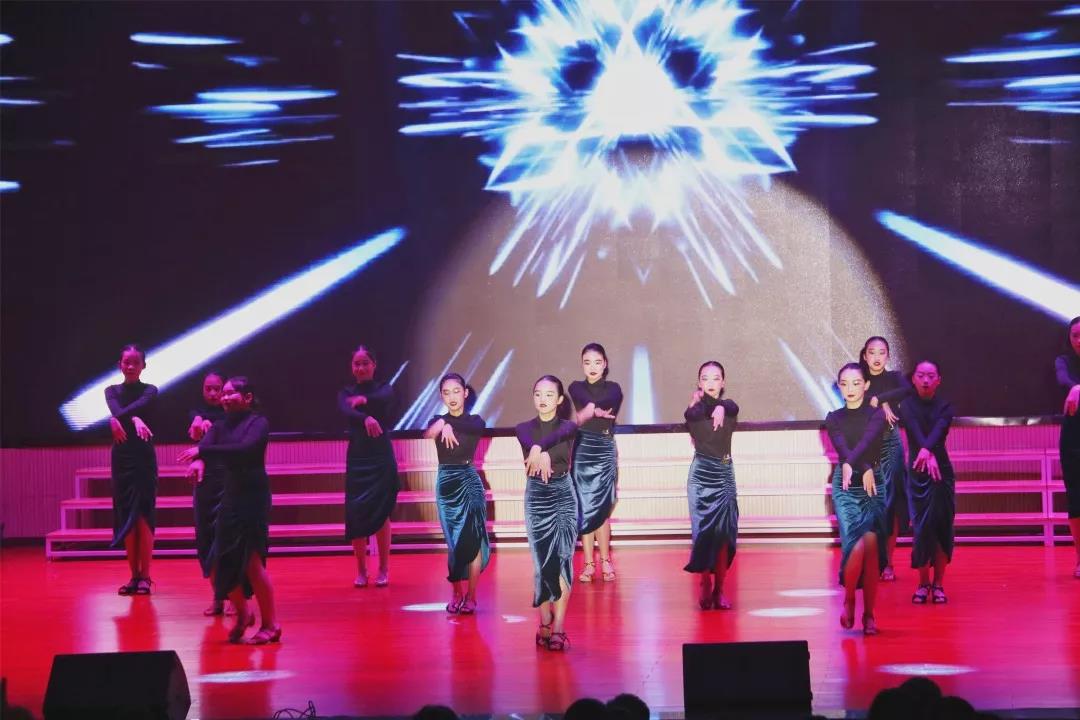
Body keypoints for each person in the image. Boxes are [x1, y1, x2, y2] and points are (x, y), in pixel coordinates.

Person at [180, 376, 280, 644]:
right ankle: (243, 614)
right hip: (231, 495)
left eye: (229, 393)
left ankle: (271, 625)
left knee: (252, 562)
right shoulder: (220, 426)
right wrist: (200, 457)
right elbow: (205, 449)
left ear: (247, 397)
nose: (224, 398)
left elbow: (244, 449)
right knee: (220, 560)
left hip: (253, 496)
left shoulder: (258, 423)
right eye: (222, 394)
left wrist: (204, 451)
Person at [516, 375, 579, 651]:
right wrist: (537, 447)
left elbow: (557, 437)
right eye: (538, 394)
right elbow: (529, 440)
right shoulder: (523, 428)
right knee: (542, 562)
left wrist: (542, 450)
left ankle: (559, 628)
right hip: (536, 497)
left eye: (549, 394)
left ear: (560, 400)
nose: (543, 399)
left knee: (563, 559)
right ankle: (544, 620)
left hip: (563, 495)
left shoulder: (569, 426)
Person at [826, 363, 888, 635]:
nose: (850, 389)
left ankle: (870, 614)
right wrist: (856, 466)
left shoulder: (876, 414)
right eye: (844, 384)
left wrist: (861, 466)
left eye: (856, 383)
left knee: (872, 545)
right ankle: (850, 598)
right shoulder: (833, 417)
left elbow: (867, 442)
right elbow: (843, 447)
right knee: (856, 544)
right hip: (847, 483)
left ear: (866, 385)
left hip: (873, 482)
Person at [424, 373, 491, 614]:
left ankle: (471, 596)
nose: (452, 396)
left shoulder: (475, 420)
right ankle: (456, 593)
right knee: (453, 542)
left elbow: (474, 428)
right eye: (446, 392)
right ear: (441, 396)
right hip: (446, 484)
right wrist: (443, 423)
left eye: (456, 391)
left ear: (465, 393)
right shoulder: (436, 419)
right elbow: (429, 433)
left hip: (469, 481)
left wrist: (449, 424)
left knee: (472, 540)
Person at [339, 346, 400, 587]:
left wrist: (365, 401)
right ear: (351, 367)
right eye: (357, 364)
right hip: (358, 457)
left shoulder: (384, 388)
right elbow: (345, 408)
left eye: (365, 363)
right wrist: (366, 417)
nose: (361, 367)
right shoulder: (346, 392)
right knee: (356, 513)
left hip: (380, 456)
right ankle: (361, 570)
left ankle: (384, 568)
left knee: (381, 512)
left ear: (374, 365)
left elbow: (384, 398)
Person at [683, 361, 740, 610]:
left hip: (724, 474)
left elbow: (733, 405)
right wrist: (707, 405)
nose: (711, 383)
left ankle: (720, 589)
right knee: (705, 534)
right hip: (702, 476)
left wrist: (720, 406)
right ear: (699, 383)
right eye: (705, 378)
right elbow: (694, 417)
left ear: (723, 382)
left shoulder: (729, 407)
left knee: (725, 535)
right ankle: (705, 581)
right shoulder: (694, 410)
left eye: (716, 378)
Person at [898, 360, 956, 604]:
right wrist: (925, 452)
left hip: (941, 473)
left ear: (938, 380)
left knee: (942, 527)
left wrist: (927, 451)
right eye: (921, 375)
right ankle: (923, 583)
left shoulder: (946, 407)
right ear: (913, 379)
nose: (925, 380)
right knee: (921, 528)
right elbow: (914, 429)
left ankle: (938, 584)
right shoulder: (906, 405)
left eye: (931, 376)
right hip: (917, 471)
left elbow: (939, 430)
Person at [567, 342, 623, 583]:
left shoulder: (614, 388)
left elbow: (603, 400)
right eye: (587, 362)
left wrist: (594, 410)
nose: (592, 367)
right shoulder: (575, 387)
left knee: (602, 508)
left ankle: (606, 560)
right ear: (582, 365)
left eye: (597, 362)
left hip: (604, 448)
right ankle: (589, 563)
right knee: (585, 508)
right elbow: (586, 400)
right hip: (582, 449)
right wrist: (594, 409)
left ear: (605, 364)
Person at [106, 344, 159, 596]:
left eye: (135, 362)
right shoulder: (111, 391)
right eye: (126, 362)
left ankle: (146, 576)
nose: (130, 366)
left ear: (143, 366)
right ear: (120, 364)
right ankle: (133, 576)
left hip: (143, 456)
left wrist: (120, 420)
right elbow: (117, 411)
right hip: (122, 457)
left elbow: (123, 414)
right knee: (126, 513)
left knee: (143, 514)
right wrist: (131, 417)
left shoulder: (151, 390)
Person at [860, 336, 912, 581]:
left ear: (888, 356)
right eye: (872, 352)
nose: (877, 357)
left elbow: (907, 389)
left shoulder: (894, 378)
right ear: (865, 356)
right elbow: (856, 404)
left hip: (890, 443)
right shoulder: (858, 378)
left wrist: (880, 399)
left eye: (882, 352)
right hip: (866, 445)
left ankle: (888, 563)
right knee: (869, 504)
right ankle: (871, 561)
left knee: (891, 503)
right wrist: (881, 405)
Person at [187, 372, 230, 615]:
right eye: (208, 389)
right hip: (205, 481)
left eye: (217, 388)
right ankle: (217, 597)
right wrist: (198, 423)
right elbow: (194, 437)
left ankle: (235, 597)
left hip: (228, 479)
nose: (213, 393)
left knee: (228, 539)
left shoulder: (232, 415)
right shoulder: (197, 413)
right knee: (206, 538)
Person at [1056, 316, 1080, 578]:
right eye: (1075, 335)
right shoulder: (1063, 361)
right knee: (1076, 498)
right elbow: (1062, 379)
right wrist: (1075, 387)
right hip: (1073, 437)